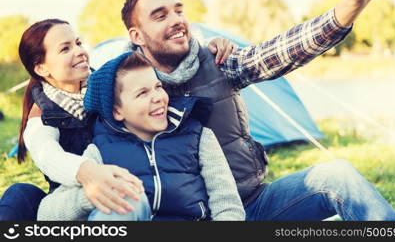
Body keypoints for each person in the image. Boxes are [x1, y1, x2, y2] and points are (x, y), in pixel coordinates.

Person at [119, 0, 395, 220]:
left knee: (338, 175)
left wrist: (352, 5)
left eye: (178, 11)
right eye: (160, 16)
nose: (177, 20)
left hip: (253, 204)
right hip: (192, 218)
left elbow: (282, 51)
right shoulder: (121, 88)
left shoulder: (219, 61)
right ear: (137, 36)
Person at [0, 19, 236, 221]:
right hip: (77, 200)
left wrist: (206, 50)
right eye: (65, 49)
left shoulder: (107, 87)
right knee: (20, 195)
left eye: (78, 43)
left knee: (125, 200)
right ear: (41, 68)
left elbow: (147, 67)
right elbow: (49, 157)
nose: (79, 51)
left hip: (131, 190)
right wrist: (88, 174)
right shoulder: (41, 116)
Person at [37, 51, 245, 221]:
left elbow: (227, 204)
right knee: (125, 201)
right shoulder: (100, 151)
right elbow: (46, 214)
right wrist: (90, 195)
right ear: (117, 111)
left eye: (158, 87)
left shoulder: (198, 136)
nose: (158, 98)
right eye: (142, 93)